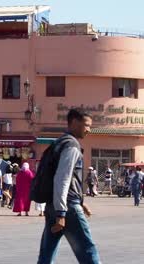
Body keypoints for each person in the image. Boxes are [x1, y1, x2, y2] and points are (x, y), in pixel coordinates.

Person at [37, 108, 100, 264]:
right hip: (67, 208)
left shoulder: (60, 142)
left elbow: (68, 180)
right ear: (74, 123)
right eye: (86, 125)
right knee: (87, 249)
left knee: (47, 253)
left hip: (54, 205)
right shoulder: (71, 146)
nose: (88, 130)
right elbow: (62, 179)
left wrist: (81, 203)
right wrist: (62, 213)